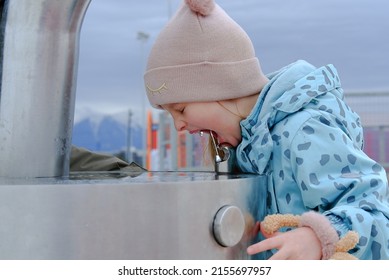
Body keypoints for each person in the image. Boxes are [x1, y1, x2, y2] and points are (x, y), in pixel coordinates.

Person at [143, 0, 389, 260]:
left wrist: (318, 238)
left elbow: (374, 212)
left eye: (180, 109)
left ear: (220, 89)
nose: (179, 126)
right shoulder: (247, 146)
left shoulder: (304, 132)